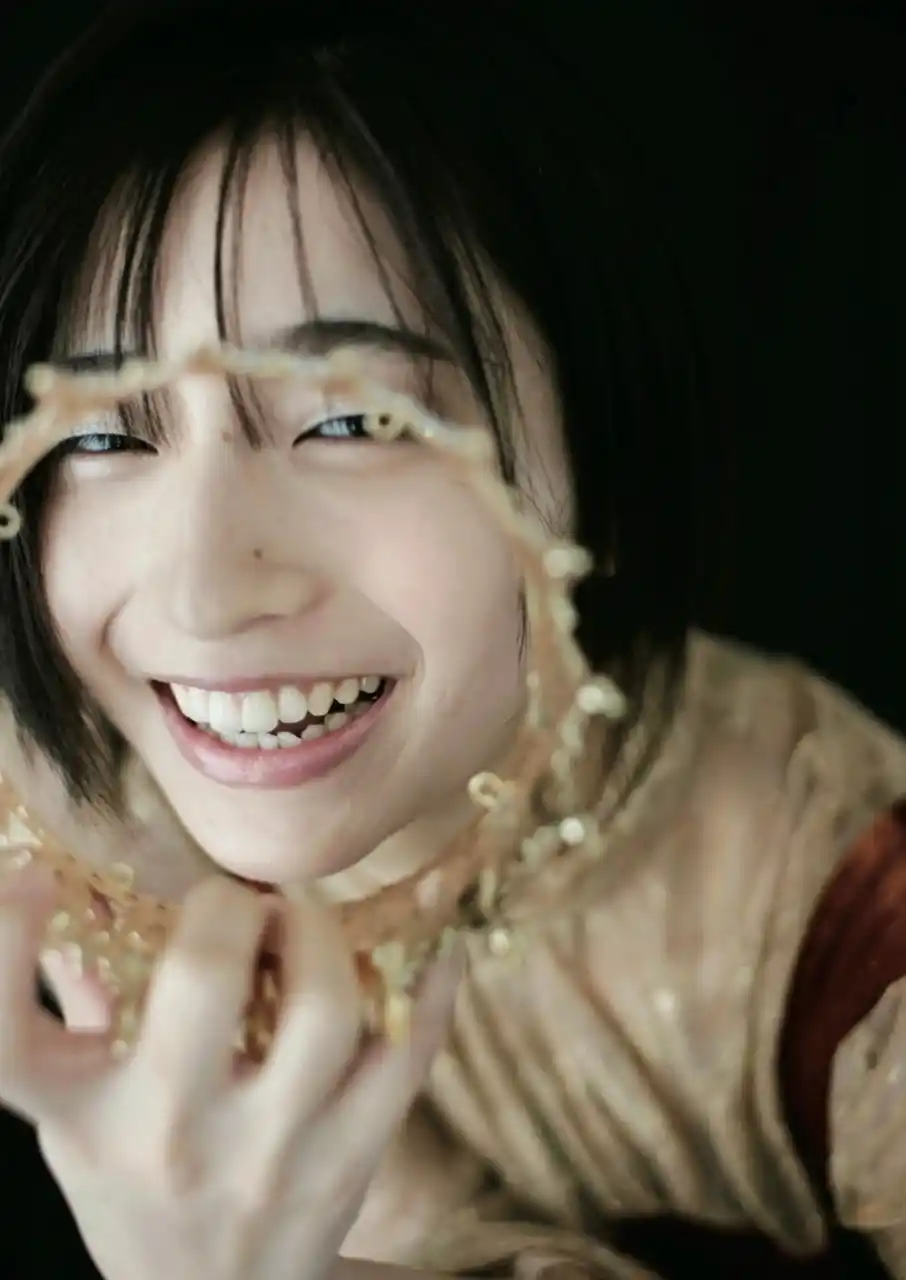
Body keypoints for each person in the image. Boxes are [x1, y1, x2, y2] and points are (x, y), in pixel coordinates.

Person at [0, 3, 903, 1278]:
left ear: (597, 446)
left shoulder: (835, 908)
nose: (203, 595)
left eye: (350, 422)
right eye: (102, 433)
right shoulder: (74, 843)